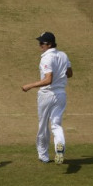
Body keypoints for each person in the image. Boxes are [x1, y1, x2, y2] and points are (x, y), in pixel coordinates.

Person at [22, 31, 73, 165]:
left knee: (43, 125)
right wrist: (60, 75)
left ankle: (43, 156)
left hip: (47, 94)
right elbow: (70, 73)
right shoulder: (63, 55)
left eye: (42, 43)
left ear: (49, 44)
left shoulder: (46, 58)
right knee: (56, 124)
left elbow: (48, 80)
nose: (40, 45)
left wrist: (30, 85)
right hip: (61, 94)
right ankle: (59, 147)